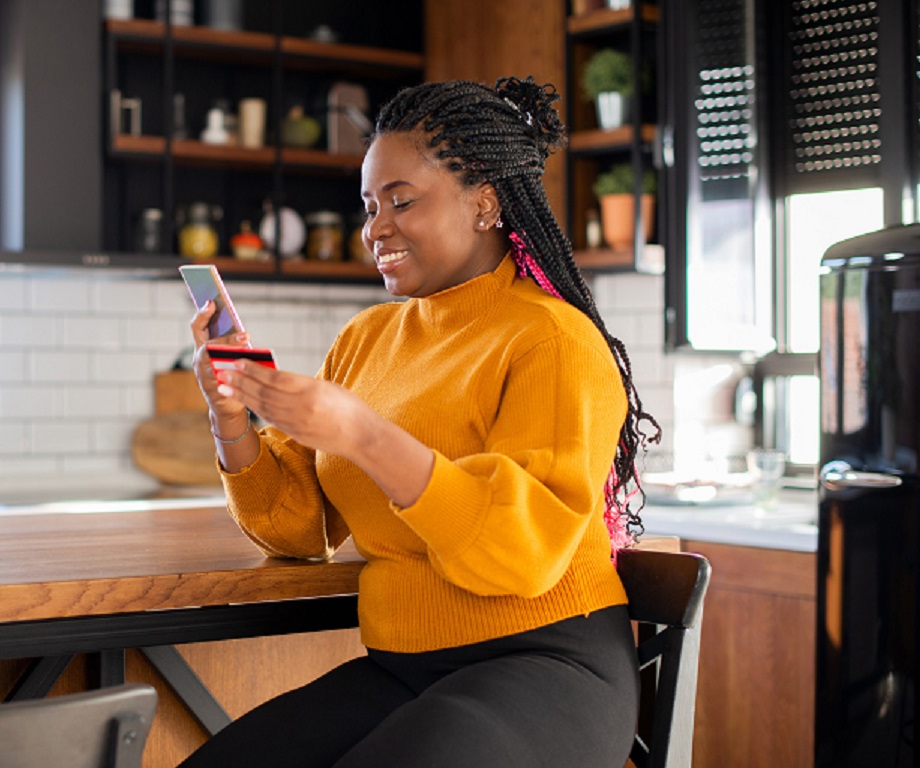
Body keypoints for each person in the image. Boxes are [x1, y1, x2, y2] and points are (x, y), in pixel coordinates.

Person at [183, 76, 661, 768]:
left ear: (485, 202)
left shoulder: (552, 340)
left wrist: (364, 435)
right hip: (404, 669)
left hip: (547, 663)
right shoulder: (366, 340)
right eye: (369, 206)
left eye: (401, 202)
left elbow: (520, 557)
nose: (375, 228)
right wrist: (231, 420)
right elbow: (300, 530)